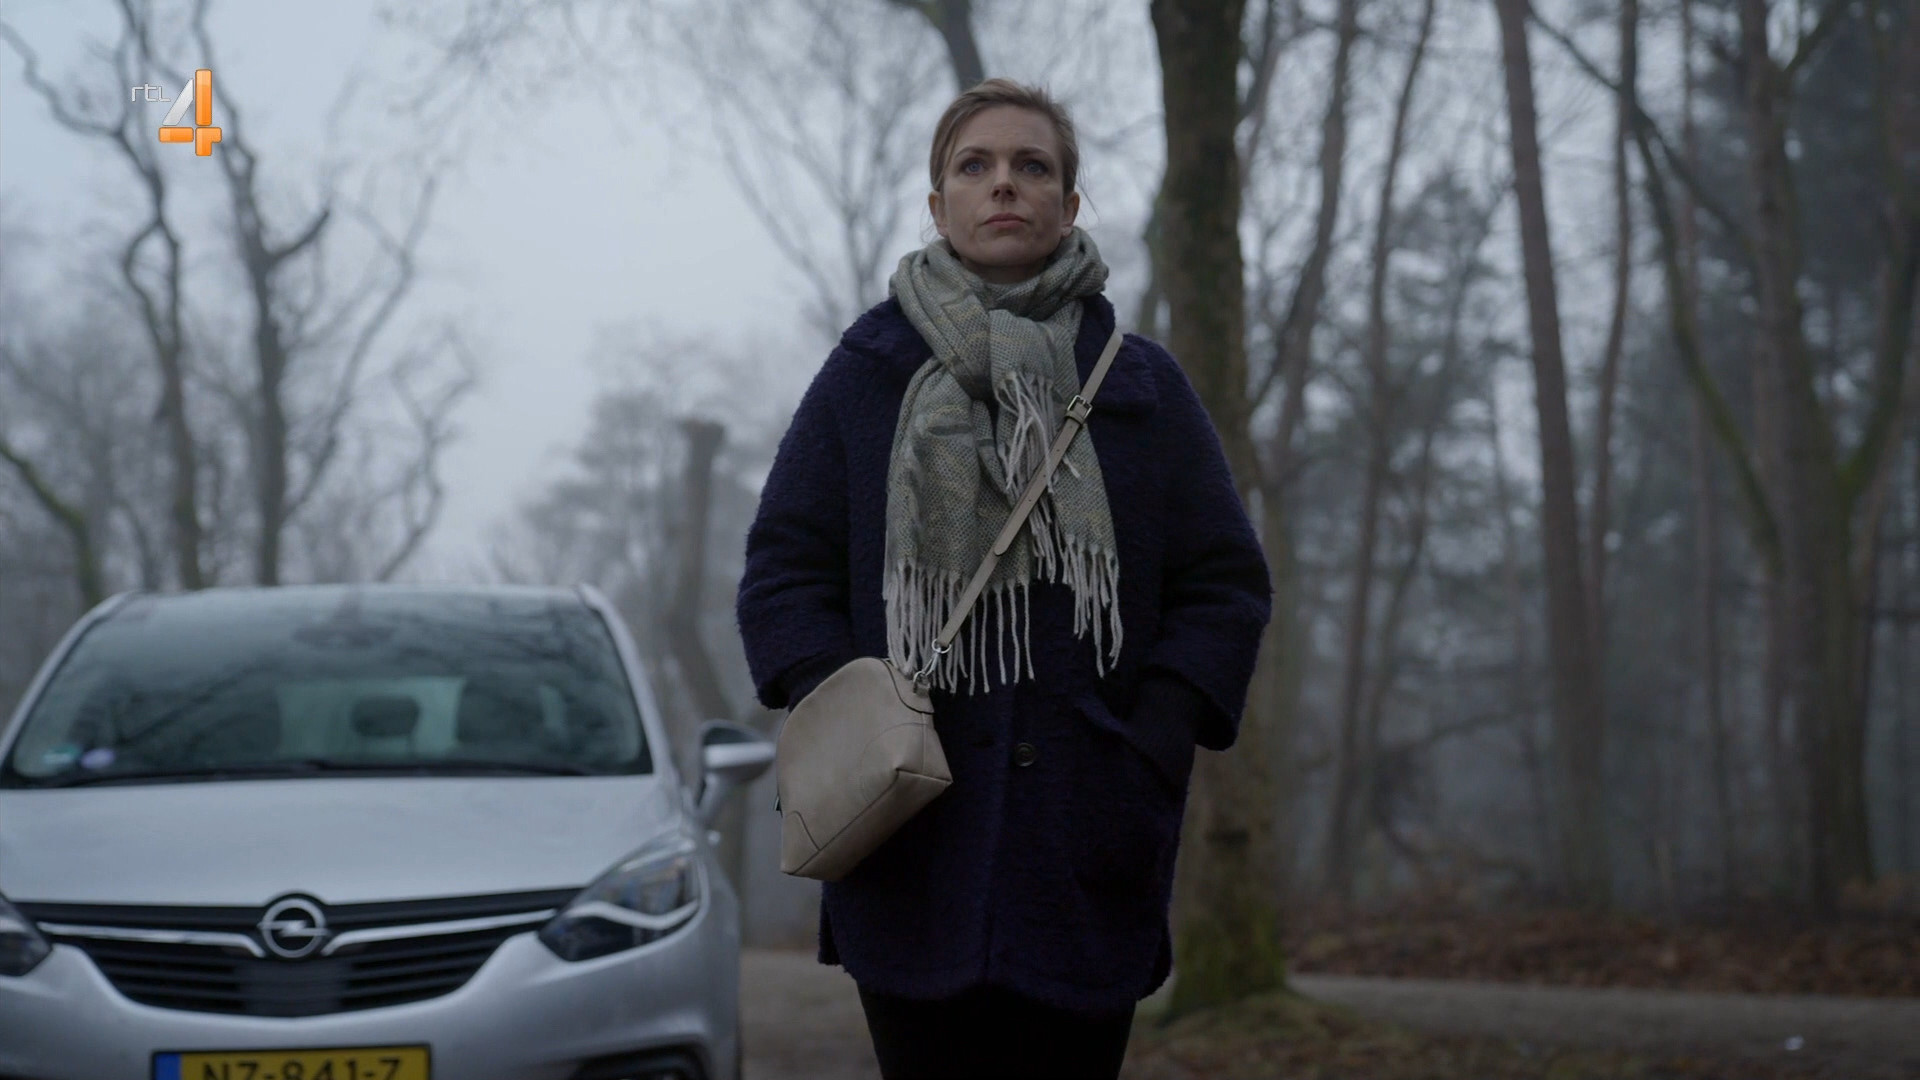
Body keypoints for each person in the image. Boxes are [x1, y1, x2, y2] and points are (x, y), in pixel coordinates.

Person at [735, 78, 1272, 1080]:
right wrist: (841, 703)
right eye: (973, 165)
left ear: (1069, 204)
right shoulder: (866, 371)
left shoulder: (1139, 383)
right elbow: (781, 571)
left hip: (1089, 837)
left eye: (1033, 165)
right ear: (938, 205)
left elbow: (1225, 584)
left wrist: (1153, 740)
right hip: (906, 838)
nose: (1004, 184)